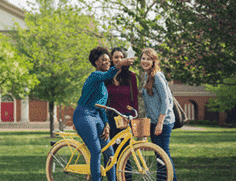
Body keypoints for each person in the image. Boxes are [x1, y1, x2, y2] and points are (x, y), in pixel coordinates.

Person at [73, 46, 136, 181]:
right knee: (96, 151)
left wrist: (106, 123)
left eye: (109, 60)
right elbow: (109, 74)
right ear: (96, 62)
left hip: (96, 116)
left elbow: (102, 108)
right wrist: (122, 63)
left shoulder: (103, 87)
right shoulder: (94, 76)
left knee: (109, 151)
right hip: (83, 115)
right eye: (104, 60)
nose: (108, 62)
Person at [140, 48, 177, 181]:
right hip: (154, 121)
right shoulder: (147, 75)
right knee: (159, 156)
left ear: (154, 61)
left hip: (163, 121)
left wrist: (160, 123)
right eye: (143, 58)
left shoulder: (157, 76)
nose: (145, 61)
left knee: (163, 155)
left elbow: (166, 100)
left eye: (148, 59)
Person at [105, 47, 139, 181]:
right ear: (111, 59)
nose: (118, 59)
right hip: (109, 118)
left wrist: (133, 115)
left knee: (125, 152)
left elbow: (134, 98)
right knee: (110, 153)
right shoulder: (106, 75)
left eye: (121, 57)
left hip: (124, 118)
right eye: (115, 57)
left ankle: (127, 178)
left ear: (125, 59)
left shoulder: (131, 76)